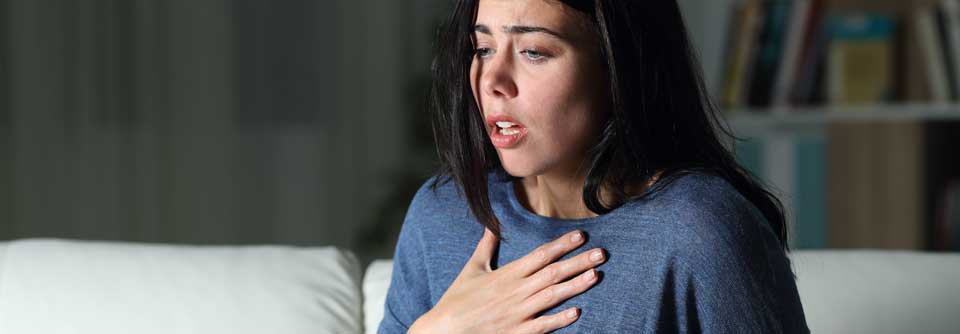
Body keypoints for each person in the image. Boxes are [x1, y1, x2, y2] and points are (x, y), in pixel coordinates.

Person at [378, 0, 810, 333]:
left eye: (533, 51)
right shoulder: (442, 214)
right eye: (483, 48)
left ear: (616, 66)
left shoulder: (702, 233)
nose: (492, 80)